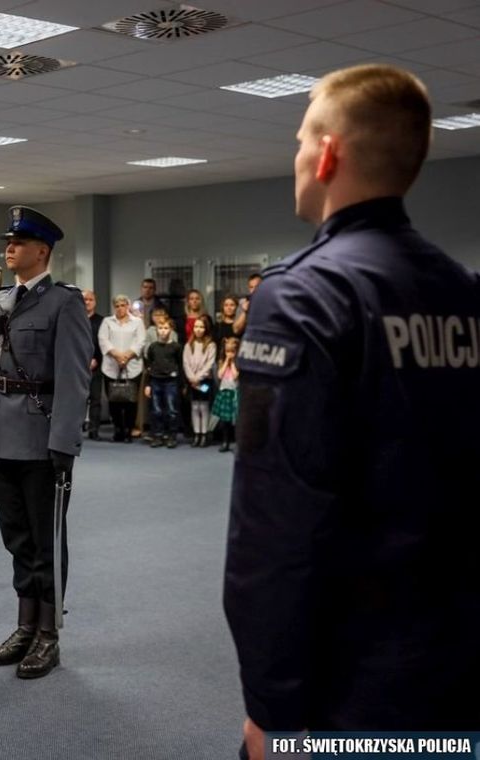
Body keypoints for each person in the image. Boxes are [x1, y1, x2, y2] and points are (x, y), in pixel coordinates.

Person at [224, 64, 480, 758]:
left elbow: (276, 523)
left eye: (302, 139)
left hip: (355, 671)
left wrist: (272, 708)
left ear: (329, 154)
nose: (298, 156)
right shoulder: (460, 289)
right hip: (456, 650)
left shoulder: (307, 295)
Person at [0, 206, 92, 679]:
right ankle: (24, 625)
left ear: (43, 251)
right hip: (2, 433)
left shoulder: (64, 302)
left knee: (45, 542)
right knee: (16, 537)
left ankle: (48, 633)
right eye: (8, 241)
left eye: (19, 242)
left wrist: (65, 444)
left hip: (42, 436)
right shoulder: (0, 300)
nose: (9, 248)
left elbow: (75, 380)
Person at [98, 294, 145, 443]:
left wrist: (127, 356)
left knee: (131, 402)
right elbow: (103, 340)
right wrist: (118, 355)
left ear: (128, 306)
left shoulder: (137, 322)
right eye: (117, 306)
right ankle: (118, 429)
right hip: (111, 368)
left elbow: (140, 341)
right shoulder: (107, 321)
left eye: (123, 305)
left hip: (132, 368)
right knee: (114, 401)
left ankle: (129, 431)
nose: (120, 308)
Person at [143, 320, 183, 449]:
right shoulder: (153, 347)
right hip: (155, 381)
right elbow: (149, 366)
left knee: (172, 410)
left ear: (171, 330)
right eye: (160, 328)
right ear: (156, 330)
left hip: (171, 381)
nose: (163, 331)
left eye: (166, 328)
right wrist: (148, 384)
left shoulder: (176, 347)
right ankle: (157, 435)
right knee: (156, 410)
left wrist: (181, 384)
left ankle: (171, 435)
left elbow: (180, 365)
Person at [183, 314, 217, 447]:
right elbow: (185, 362)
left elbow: (209, 363)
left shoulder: (211, 345)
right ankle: (196, 434)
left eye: (201, 327)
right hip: (192, 381)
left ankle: (204, 434)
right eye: (196, 326)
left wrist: (198, 378)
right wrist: (191, 377)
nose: (198, 329)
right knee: (194, 406)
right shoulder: (188, 345)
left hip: (204, 382)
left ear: (206, 329)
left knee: (204, 406)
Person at [82, 289, 105, 440]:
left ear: (95, 302)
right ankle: (77, 428)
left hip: (96, 364)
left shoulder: (102, 321)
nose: (87, 302)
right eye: (85, 300)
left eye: (90, 300)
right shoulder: (75, 319)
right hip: (78, 366)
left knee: (95, 399)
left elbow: (103, 343)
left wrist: (96, 359)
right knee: (79, 399)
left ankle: (94, 429)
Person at [212, 337, 238, 453]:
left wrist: (232, 363)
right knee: (225, 420)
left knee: (236, 419)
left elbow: (236, 375)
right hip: (225, 391)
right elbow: (220, 375)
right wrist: (227, 361)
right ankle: (225, 442)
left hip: (235, 393)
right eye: (228, 351)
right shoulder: (222, 361)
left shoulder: (238, 363)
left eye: (232, 352)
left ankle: (238, 444)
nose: (230, 354)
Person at [232, 273, 262, 337]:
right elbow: (236, 330)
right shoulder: (243, 303)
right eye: (251, 287)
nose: (254, 290)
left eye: (257, 287)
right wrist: (244, 311)